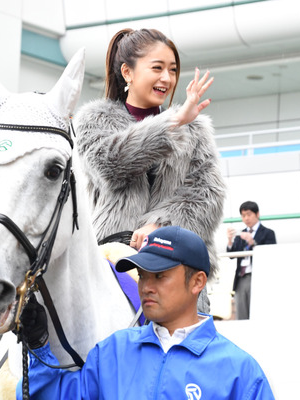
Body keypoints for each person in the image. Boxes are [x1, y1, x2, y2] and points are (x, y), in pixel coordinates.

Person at [17, 226, 275, 399]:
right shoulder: (112, 353)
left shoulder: (240, 372)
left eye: (160, 276)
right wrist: (39, 346)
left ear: (197, 282)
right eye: (142, 275)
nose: (146, 287)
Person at [73, 28, 226, 313]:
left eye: (173, 70)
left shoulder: (194, 128)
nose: (167, 78)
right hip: (114, 260)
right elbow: (110, 165)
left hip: (177, 262)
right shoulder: (93, 120)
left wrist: (160, 226)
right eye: (157, 68)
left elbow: (208, 196)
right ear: (127, 72)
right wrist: (171, 124)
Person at [226, 201, 277, 320]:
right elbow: (231, 255)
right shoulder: (241, 234)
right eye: (243, 216)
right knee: (241, 313)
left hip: (258, 276)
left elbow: (271, 253)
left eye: (249, 214)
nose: (246, 218)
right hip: (241, 277)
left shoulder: (268, 233)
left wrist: (252, 242)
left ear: (257, 214)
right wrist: (229, 241)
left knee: (259, 312)